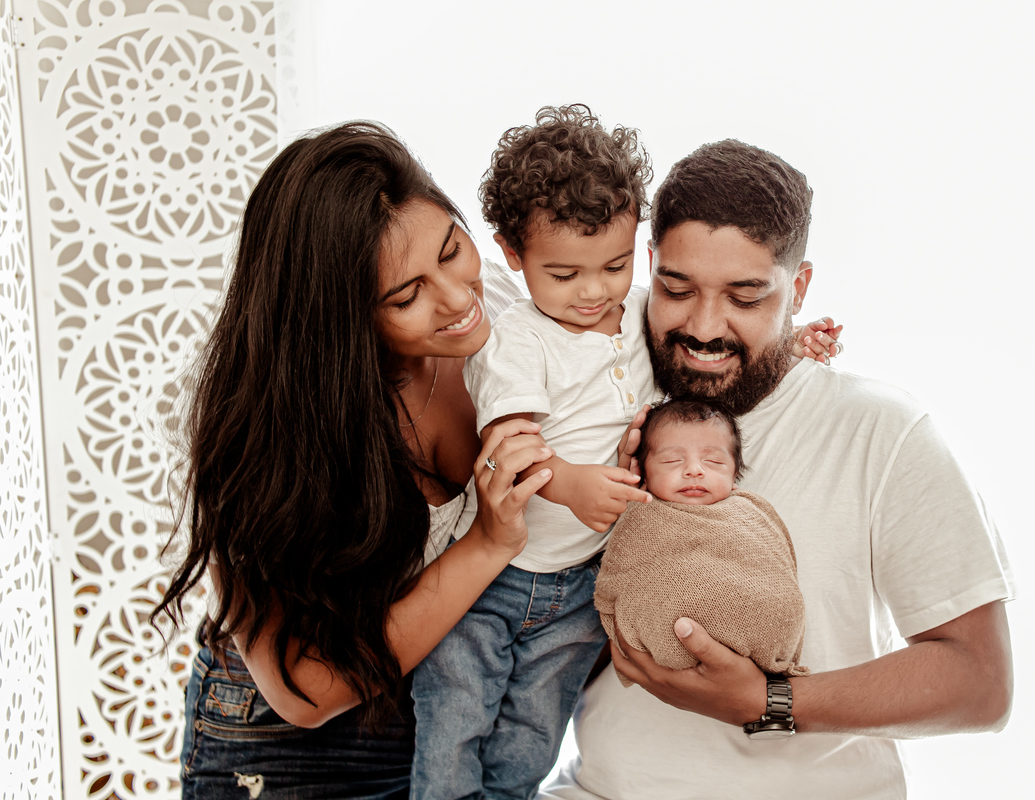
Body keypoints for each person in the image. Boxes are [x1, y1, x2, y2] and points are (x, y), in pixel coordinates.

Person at [541, 140, 1015, 799]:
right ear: (649, 267)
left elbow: (981, 684)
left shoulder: (881, 431)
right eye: (677, 288)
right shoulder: (602, 395)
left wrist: (771, 700)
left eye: (746, 296)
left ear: (799, 287)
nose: (704, 327)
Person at [411, 106, 840, 800]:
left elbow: (709, 341)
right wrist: (572, 483)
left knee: (531, 731)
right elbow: (510, 444)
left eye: (612, 266)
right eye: (563, 273)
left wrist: (792, 339)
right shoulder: (520, 338)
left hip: (579, 586)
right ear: (512, 254)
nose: (591, 292)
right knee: (456, 718)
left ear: (638, 241)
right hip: (495, 581)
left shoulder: (645, 311)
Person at [152, 121, 556, 798]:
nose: (459, 299)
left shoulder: (510, 328)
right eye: (406, 296)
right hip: (294, 748)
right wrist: (486, 542)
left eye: (453, 251)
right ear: (339, 317)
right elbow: (306, 689)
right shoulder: (272, 434)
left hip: (450, 708)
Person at [593, 397, 809, 685]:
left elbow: (773, 567)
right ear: (642, 473)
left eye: (714, 461)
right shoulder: (643, 517)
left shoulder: (749, 513)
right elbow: (622, 576)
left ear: (734, 476)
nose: (694, 470)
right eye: (672, 461)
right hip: (674, 633)